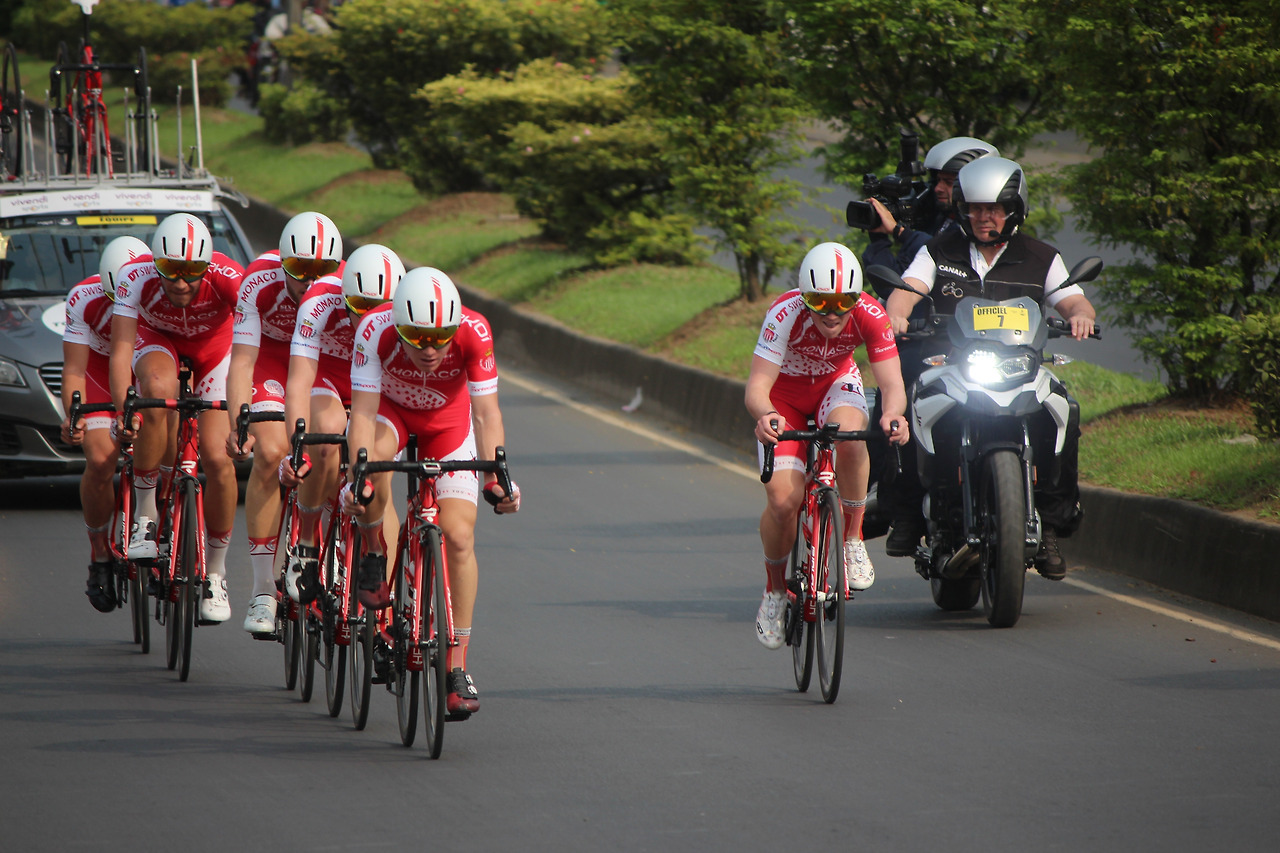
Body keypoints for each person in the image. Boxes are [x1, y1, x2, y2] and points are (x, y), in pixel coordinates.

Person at [884, 157, 1097, 579]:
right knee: (910, 406)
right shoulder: (938, 252)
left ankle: (1051, 523)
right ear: (961, 208)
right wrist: (898, 314)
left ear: (1014, 208)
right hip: (953, 365)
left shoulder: (1041, 256)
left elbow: (1073, 299)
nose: (984, 217)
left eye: (994, 208)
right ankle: (908, 511)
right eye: (976, 208)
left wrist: (1081, 316)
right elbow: (906, 292)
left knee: (1065, 411)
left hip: (1022, 366)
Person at [342, 267, 520, 717]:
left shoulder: (475, 331)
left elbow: (485, 415)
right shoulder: (374, 328)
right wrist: (357, 475)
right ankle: (373, 549)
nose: (429, 348)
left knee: (459, 536)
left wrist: (500, 475)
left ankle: (457, 667)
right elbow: (361, 414)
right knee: (372, 467)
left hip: (449, 426)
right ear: (396, 323)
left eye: (440, 337)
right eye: (415, 336)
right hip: (390, 416)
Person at [744, 242, 909, 650]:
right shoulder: (784, 313)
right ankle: (774, 591)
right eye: (821, 302)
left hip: (836, 386)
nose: (833, 313)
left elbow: (892, 387)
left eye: (843, 302)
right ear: (805, 298)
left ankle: (851, 540)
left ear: (856, 298)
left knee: (852, 437)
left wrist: (893, 415)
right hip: (784, 400)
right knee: (783, 502)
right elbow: (757, 387)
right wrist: (765, 416)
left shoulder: (871, 313)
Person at [109, 213, 246, 623]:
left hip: (216, 351)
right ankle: (146, 514)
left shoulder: (229, 276)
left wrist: (248, 417)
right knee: (155, 389)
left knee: (220, 459)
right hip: (159, 343)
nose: (181, 283)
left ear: (207, 266)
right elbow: (120, 350)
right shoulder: (136, 276)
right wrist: (123, 411)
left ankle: (218, 572)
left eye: (192, 273)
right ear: (157, 264)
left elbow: (258, 339)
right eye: (171, 272)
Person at [862, 137, 999, 537]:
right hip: (931, 339)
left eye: (949, 181)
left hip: (994, 344)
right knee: (895, 400)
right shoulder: (927, 217)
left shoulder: (995, 231)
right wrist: (880, 240)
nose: (939, 189)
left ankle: (1047, 512)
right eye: (936, 180)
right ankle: (898, 508)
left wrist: (903, 230)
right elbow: (897, 285)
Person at [271, 243, 405, 626]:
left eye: (380, 308)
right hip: (329, 379)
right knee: (326, 435)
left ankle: (384, 601)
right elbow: (298, 382)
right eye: (359, 307)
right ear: (343, 296)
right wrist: (299, 444)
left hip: (376, 388)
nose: (369, 318)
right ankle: (308, 542)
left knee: (380, 478)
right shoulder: (319, 301)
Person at [228, 212, 344, 635]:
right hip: (273, 364)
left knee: (336, 451)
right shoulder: (259, 281)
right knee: (273, 452)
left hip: (322, 369)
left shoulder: (352, 286)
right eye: (299, 271)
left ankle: (331, 554)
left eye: (323, 271)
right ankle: (262, 591)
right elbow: (241, 362)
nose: (311, 283)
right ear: (283, 265)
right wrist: (238, 424)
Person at [60, 236, 150, 612]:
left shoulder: (159, 292)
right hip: (100, 371)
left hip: (144, 367)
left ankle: (164, 521)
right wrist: (74, 416)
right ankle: (99, 555)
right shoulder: (84, 298)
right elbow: (75, 369)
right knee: (100, 460)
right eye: (117, 299)